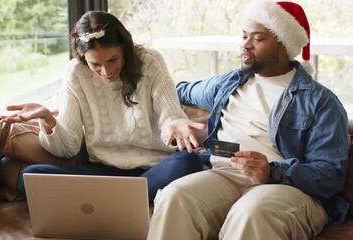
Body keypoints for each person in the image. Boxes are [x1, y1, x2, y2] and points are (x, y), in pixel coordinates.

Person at [147, 0, 349, 239]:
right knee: (175, 196)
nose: (246, 44)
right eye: (244, 36)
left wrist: (273, 171)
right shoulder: (229, 82)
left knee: (252, 212)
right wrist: (175, 119)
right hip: (226, 174)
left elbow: (330, 175)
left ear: (284, 44)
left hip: (289, 189)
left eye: (258, 38)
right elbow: (178, 89)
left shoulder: (320, 101)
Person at [0, 10, 205, 203]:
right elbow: (68, 148)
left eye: (112, 60)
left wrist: (173, 125)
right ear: (82, 58)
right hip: (105, 172)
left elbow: (170, 115)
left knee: (189, 162)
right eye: (95, 64)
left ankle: (105, 201)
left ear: (124, 48)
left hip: (157, 168)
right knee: (31, 176)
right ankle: (126, 200)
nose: (106, 71)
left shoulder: (150, 62)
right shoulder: (75, 73)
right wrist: (47, 119)